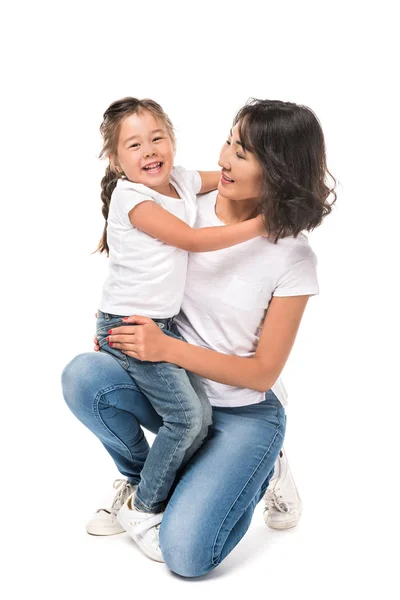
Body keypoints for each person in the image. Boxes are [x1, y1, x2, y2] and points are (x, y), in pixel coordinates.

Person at [62, 98, 335, 576]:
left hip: (244, 410)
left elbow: (263, 371)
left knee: (187, 557)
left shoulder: (293, 258)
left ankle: (264, 466)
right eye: (229, 140)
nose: (225, 159)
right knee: (85, 376)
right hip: (177, 389)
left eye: (243, 153)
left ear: (278, 170)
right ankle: (143, 490)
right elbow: (140, 273)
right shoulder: (179, 203)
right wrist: (122, 328)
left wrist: (166, 347)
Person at [93, 97, 267, 539]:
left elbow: (229, 184)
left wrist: (272, 188)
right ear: (116, 160)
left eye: (157, 138)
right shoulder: (132, 195)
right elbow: (190, 239)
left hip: (162, 327)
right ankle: (144, 504)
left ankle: (162, 489)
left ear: (172, 140)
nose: (149, 150)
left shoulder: (182, 181)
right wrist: (265, 223)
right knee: (188, 418)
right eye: (134, 145)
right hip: (130, 327)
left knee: (201, 417)